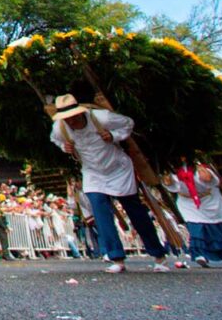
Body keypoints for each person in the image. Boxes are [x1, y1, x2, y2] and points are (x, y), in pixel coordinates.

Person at [49, 93, 169, 274]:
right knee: (100, 211)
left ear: (80, 112)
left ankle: (158, 254)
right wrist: (64, 147)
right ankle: (116, 257)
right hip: (92, 172)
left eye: (72, 117)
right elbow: (55, 140)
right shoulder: (59, 128)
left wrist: (113, 136)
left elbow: (128, 124)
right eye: (66, 118)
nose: (70, 121)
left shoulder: (100, 117)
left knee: (135, 211)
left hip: (118, 168)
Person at [161, 162, 222, 268]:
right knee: (196, 228)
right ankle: (200, 255)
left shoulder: (201, 167)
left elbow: (210, 180)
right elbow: (169, 185)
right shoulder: (170, 170)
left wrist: (203, 172)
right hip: (189, 204)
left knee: (221, 231)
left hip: (211, 201)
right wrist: (168, 177)